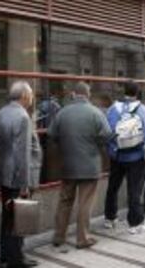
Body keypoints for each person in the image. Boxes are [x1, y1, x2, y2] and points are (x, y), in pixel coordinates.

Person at [48, 82, 112, 249]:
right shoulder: (96, 113)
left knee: (64, 201)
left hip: (68, 165)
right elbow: (107, 135)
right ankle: (82, 238)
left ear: (74, 94)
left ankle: (58, 236)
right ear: (88, 95)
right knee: (85, 203)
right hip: (90, 166)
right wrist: (96, 144)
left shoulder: (62, 112)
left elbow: (51, 134)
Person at [0, 81, 39, 268]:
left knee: (7, 217)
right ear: (24, 96)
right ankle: (17, 259)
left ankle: (5, 255)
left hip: (4, 172)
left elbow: (0, 147)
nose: (32, 98)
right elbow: (22, 153)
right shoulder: (23, 117)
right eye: (30, 95)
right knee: (18, 217)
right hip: (16, 175)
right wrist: (24, 184)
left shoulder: (1, 112)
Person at [104, 80, 145, 234]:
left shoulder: (113, 108)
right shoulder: (142, 109)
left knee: (113, 188)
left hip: (117, 156)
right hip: (136, 157)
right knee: (134, 190)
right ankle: (135, 224)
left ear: (123, 91)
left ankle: (110, 218)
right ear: (137, 93)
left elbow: (108, 132)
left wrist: (113, 150)